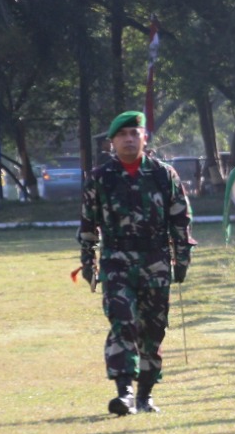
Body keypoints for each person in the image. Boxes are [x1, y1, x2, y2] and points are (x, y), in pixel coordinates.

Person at [78, 110, 194, 416]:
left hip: (155, 262)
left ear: (144, 137)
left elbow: (180, 219)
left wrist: (181, 259)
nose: (129, 139)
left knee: (152, 331)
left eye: (135, 133)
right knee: (123, 321)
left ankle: (145, 394)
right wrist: (88, 263)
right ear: (112, 142)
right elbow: (88, 225)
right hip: (116, 262)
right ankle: (124, 391)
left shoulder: (163, 174)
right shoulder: (101, 178)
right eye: (122, 135)